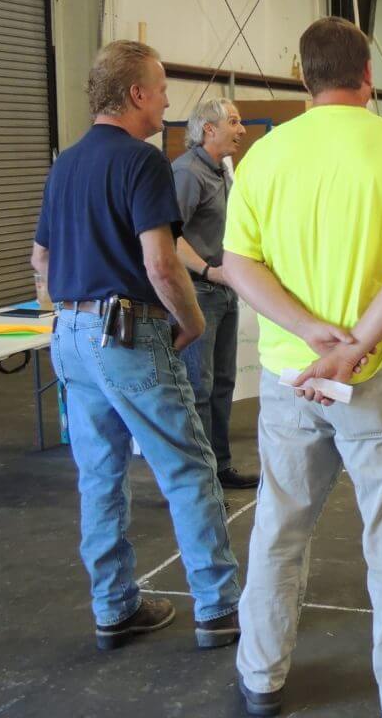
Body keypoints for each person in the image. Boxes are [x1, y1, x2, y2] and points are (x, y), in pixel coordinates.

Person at [222, 17, 382, 718]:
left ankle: (260, 678)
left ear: (303, 78)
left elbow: (239, 264)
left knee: (279, 529)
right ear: (367, 75)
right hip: (378, 378)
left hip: (289, 378)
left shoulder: (264, 157)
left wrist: (309, 333)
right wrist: (354, 345)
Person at [30, 41, 241, 651]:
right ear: (136, 94)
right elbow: (160, 262)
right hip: (127, 333)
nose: (168, 101)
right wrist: (190, 320)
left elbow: (40, 260)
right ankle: (218, 608)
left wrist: (77, 304)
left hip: (71, 336)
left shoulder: (66, 164)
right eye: (162, 88)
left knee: (100, 475)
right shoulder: (144, 162)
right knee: (188, 467)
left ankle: (115, 608)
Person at [172, 98, 258, 490]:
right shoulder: (187, 173)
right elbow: (169, 238)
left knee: (222, 384)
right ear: (209, 129)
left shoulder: (221, 170)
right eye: (234, 122)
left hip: (224, 291)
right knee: (198, 388)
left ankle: (220, 467)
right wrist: (208, 270)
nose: (242, 130)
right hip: (198, 292)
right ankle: (200, 481)